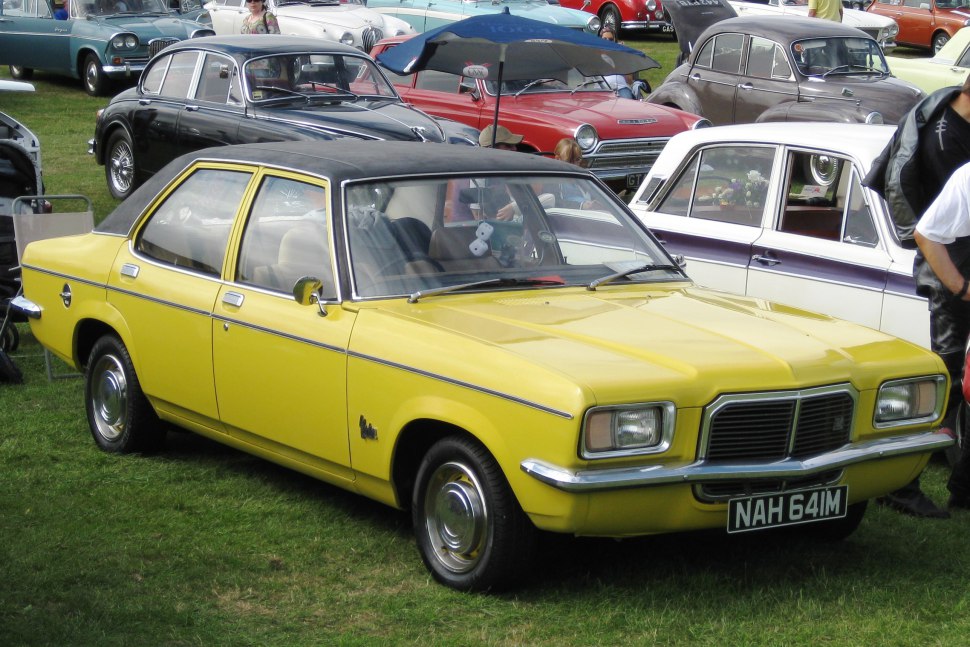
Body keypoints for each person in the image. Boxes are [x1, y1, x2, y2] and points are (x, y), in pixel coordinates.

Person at [864, 72, 970, 518]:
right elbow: (933, 229)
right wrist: (960, 286)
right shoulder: (946, 140)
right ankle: (901, 482)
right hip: (950, 271)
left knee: (957, 381)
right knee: (941, 378)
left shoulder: (954, 125)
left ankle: (959, 480)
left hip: (958, 265)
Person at [914, 161, 970, 509]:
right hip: (955, 289)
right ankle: (902, 484)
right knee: (944, 386)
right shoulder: (968, 177)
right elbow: (927, 233)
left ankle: (963, 490)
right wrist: (962, 288)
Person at [598, 27, 634, 99]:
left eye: (610, 39)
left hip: (621, 88)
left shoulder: (621, 56)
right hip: (601, 89)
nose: (607, 42)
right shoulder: (595, 55)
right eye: (604, 39)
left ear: (615, 41)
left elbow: (630, 81)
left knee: (628, 105)